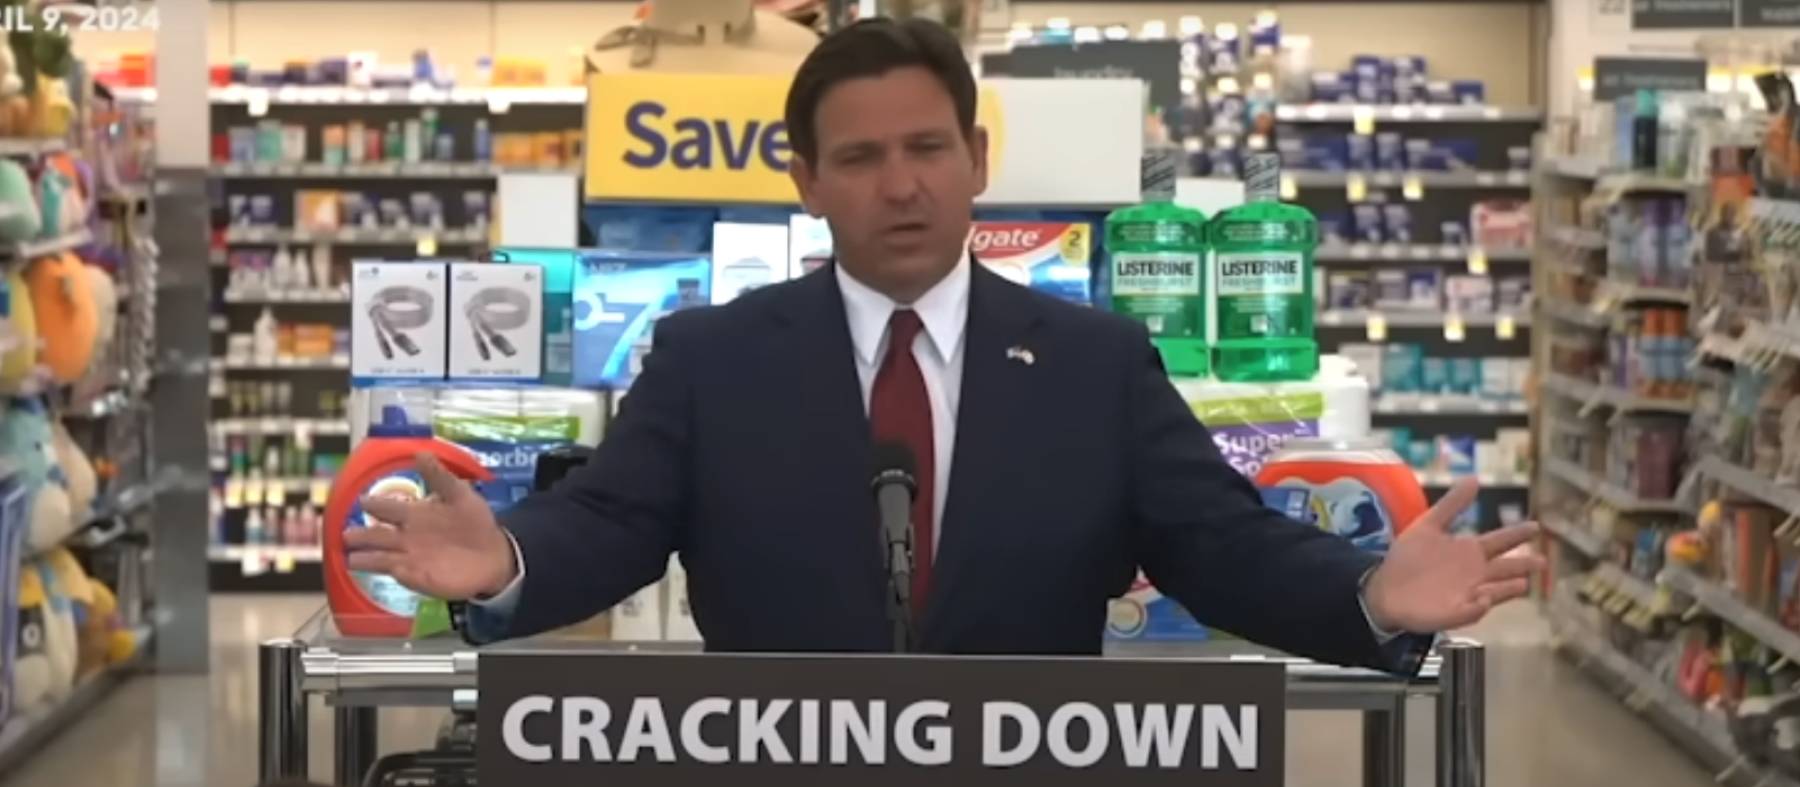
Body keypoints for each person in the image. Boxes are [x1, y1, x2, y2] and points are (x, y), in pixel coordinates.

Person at [344, 17, 1540, 669]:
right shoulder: (712, 356)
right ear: (806, 181)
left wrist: (1371, 595)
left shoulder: (1098, 363)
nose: (901, 186)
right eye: (859, 159)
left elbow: (1221, 548)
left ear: (976, 157)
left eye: (928, 149)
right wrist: (501, 562)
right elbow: (607, 524)